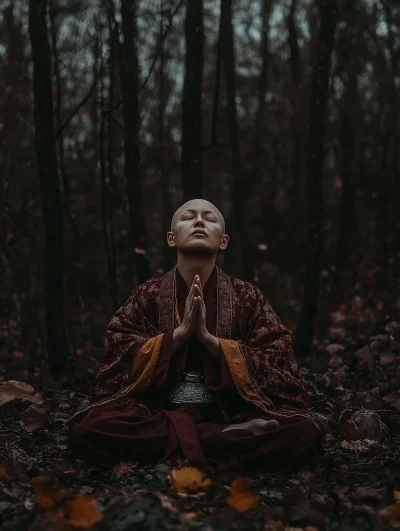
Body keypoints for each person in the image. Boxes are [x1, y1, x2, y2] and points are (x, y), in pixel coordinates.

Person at [69, 199, 323, 475]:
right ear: (171, 238)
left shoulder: (247, 297)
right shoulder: (147, 295)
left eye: (209, 218)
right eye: (189, 217)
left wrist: (210, 342)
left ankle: (187, 442)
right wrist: (178, 336)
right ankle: (224, 437)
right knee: (91, 429)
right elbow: (118, 353)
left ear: (223, 241)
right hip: (157, 412)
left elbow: (278, 359)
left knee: (301, 432)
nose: (199, 221)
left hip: (229, 409)